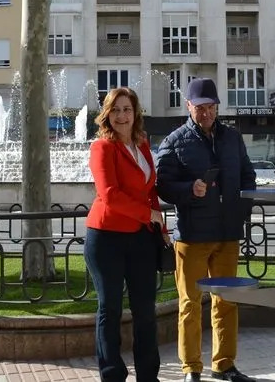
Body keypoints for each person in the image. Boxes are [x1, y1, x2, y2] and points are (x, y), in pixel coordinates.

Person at [155, 78, 257, 382]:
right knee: (189, 304)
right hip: (192, 236)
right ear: (189, 106)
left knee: (227, 301)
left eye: (212, 107)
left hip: (227, 233)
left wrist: (242, 210)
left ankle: (224, 365)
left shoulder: (233, 138)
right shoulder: (173, 141)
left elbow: (248, 176)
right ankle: (191, 369)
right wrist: (189, 189)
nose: (207, 113)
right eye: (201, 108)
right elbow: (163, 186)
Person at [84, 87, 163, 382]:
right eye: (115, 109)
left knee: (145, 310)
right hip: (106, 238)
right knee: (111, 309)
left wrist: (160, 227)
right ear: (107, 114)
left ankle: (148, 376)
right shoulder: (102, 147)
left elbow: (150, 191)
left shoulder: (142, 145)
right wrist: (148, 215)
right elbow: (109, 194)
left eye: (127, 109)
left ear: (135, 113)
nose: (121, 115)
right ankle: (112, 375)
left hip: (141, 238)